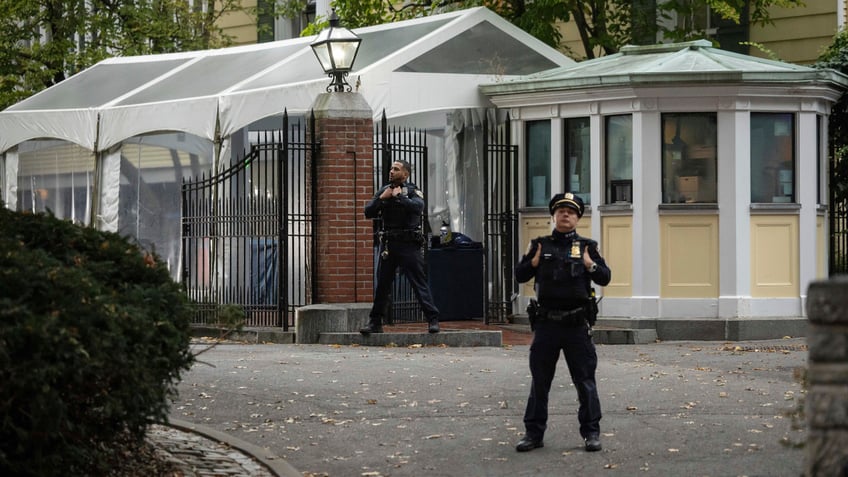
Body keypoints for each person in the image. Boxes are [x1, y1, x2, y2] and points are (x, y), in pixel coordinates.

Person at [514, 192, 611, 453]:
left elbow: (605, 277)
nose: (565, 215)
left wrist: (590, 265)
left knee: (585, 381)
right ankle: (533, 434)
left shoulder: (588, 246)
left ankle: (591, 433)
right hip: (547, 324)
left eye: (570, 211)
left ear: (578, 217)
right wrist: (532, 262)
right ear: (554, 215)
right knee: (540, 381)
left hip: (576, 325)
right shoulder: (539, 244)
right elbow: (520, 275)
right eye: (561, 211)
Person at [361, 160, 440, 335]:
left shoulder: (412, 191)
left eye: (396, 169)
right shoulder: (384, 190)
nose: (391, 171)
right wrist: (383, 199)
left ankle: (433, 320)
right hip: (388, 244)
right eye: (391, 168)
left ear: (405, 174)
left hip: (408, 244)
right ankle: (375, 323)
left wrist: (400, 197)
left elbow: (418, 208)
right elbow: (368, 211)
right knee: (382, 285)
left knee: (418, 283)